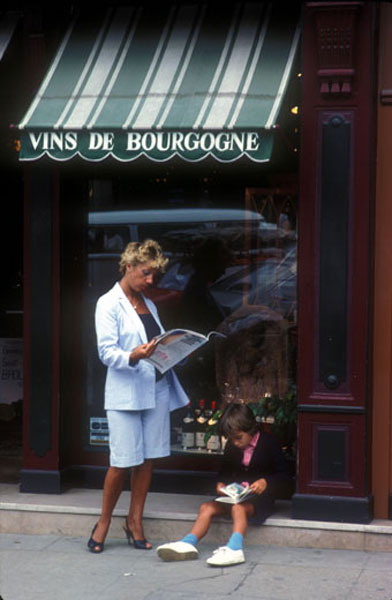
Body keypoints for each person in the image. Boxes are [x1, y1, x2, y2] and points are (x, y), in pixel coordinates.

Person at [88, 239, 189, 553]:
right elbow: (106, 353)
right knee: (121, 462)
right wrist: (133, 355)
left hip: (155, 389)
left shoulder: (151, 303)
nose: (150, 281)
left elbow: (155, 342)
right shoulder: (108, 303)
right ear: (128, 266)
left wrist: (174, 350)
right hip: (126, 392)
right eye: (145, 273)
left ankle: (135, 521)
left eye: (154, 276)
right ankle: (104, 521)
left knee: (146, 462)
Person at [156, 402, 293, 566]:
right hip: (235, 496)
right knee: (206, 508)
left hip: (259, 500)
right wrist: (221, 484)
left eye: (238, 438)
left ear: (251, 429)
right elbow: (225, 472)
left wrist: (266, 482)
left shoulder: (269, 444)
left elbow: (286, 478)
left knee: (238, 509)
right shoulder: (232, 446)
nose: (235, 443)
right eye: (231, 439)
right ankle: (188, 543)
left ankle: (235, 548)